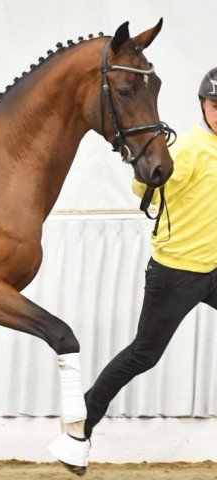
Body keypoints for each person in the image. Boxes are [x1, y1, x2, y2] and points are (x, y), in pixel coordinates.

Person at [84, 67, 217, 439]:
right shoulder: (189, 148)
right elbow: (148, 184)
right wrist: (145, 177)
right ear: (203, 106)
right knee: (144, 354)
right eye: (214, 105)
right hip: (176, 274)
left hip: (213, 268)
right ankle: (83, 418)